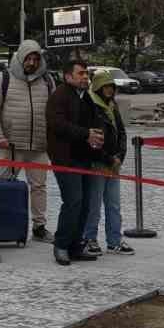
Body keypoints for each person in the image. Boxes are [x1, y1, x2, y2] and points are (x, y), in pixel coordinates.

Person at [0, 39, 55, 241]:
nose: (31, 62)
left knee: (39, 187)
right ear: (21, 57)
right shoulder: (3, 78)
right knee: (5, 185)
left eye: (35, 58)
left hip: (39, 146)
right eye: (28, 58)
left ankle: (39, 226)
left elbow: (53, 112)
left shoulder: (47, 81)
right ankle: (4, 226)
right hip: (11, 145)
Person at [46, 58, 102, 266]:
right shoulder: (59, 95)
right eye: (81, 74)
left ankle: (75, 246)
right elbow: (58, 124)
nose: (85, 77)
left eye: (86, 73)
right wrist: (85, 133)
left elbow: (94, 121)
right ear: (67, 76)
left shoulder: (86, 96)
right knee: (73, 201)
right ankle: (61, 245)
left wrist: (98, 136)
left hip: (84, 157)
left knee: (86, 203)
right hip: (65, 158)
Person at [82, 69, 132, 256]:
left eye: (111, 86)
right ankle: (90, 238)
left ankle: (114, 240)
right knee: (94, 205)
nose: (110, 90)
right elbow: (92, 139)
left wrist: (120, 156)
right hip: (98, 163)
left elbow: (121, 133)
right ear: (98, 87)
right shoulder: (90, 106)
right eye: (106, 86)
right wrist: (108, 158)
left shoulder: (113, 105)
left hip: (113, 163)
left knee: (114, 204)